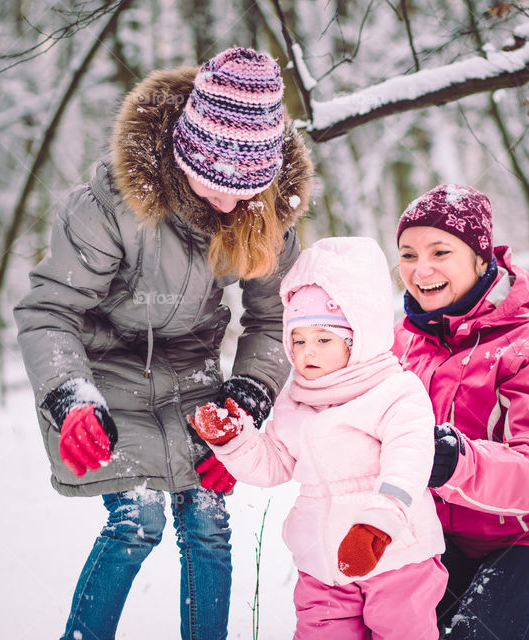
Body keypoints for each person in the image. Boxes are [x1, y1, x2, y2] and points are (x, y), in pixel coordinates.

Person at [13, 47, 314, 640]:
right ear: (183, 157)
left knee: (207, 523)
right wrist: (69, 398)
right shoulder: (112, 207)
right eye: (213, 184)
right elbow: (51, 310)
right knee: (138, 519)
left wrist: (248, 396)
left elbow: (277, 319)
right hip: (104, 381)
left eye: (244, 190)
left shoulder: (263, 214)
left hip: (194, 387)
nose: (227, 203)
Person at [189, 236, 448, 640]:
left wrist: (377, 524)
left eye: (324, 340)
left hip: (396, 558)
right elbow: (275, 463)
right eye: (299, 340)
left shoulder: (394, 391)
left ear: (357, 338)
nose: (308, 352)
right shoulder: (296, 399)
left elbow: (410, 460)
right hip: (322, 568)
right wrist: (235, 441)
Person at [392, 184, 529, 640]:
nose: (420, 269)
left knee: (469, 635)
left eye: (440, 252)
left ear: (481, 259)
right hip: (443, 541)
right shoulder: (400, 345)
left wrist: (459, 461)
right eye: (408, 254)